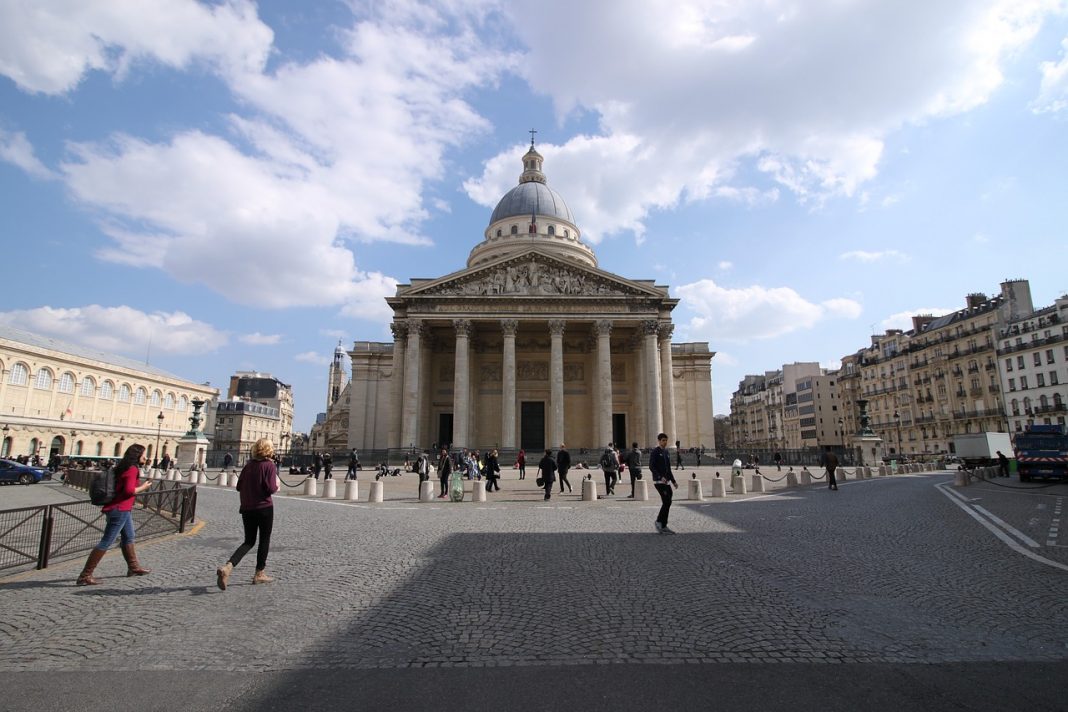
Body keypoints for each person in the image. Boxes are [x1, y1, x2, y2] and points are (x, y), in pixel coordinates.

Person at [76, 443, 154, 585]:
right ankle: (85, 575)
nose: (146, 457)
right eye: (144, 454)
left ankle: (133, 567)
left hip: (121, 508)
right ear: (137, 456)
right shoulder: (132, 469)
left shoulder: (122, 467)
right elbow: (129, 491)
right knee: (107, 541)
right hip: (120, 509)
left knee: (129, 537)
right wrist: (144, 487)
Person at [216, 438, 280, 589]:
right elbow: (270, 488)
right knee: (264, 540)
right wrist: (275, 486)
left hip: (246, 508)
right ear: (269, 450)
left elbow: (238, 486)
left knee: (248, 541)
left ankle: (228, 567)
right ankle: (259, 573)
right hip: (264, 508)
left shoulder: (248, 466)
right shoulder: (269, 466)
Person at [650, 433, 679, 534]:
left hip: (667, 481)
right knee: (667, 501)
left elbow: (668, 469)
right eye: (663, 440)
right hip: (659, 481)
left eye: (666, 440)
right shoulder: (655, 452)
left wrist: (674, 481)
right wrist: (659, 477)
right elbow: (652, 466)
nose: (665, 442)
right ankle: (659, 522)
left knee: (668, 502)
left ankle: (663, 524)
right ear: (659, 441)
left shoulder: (666, 452)